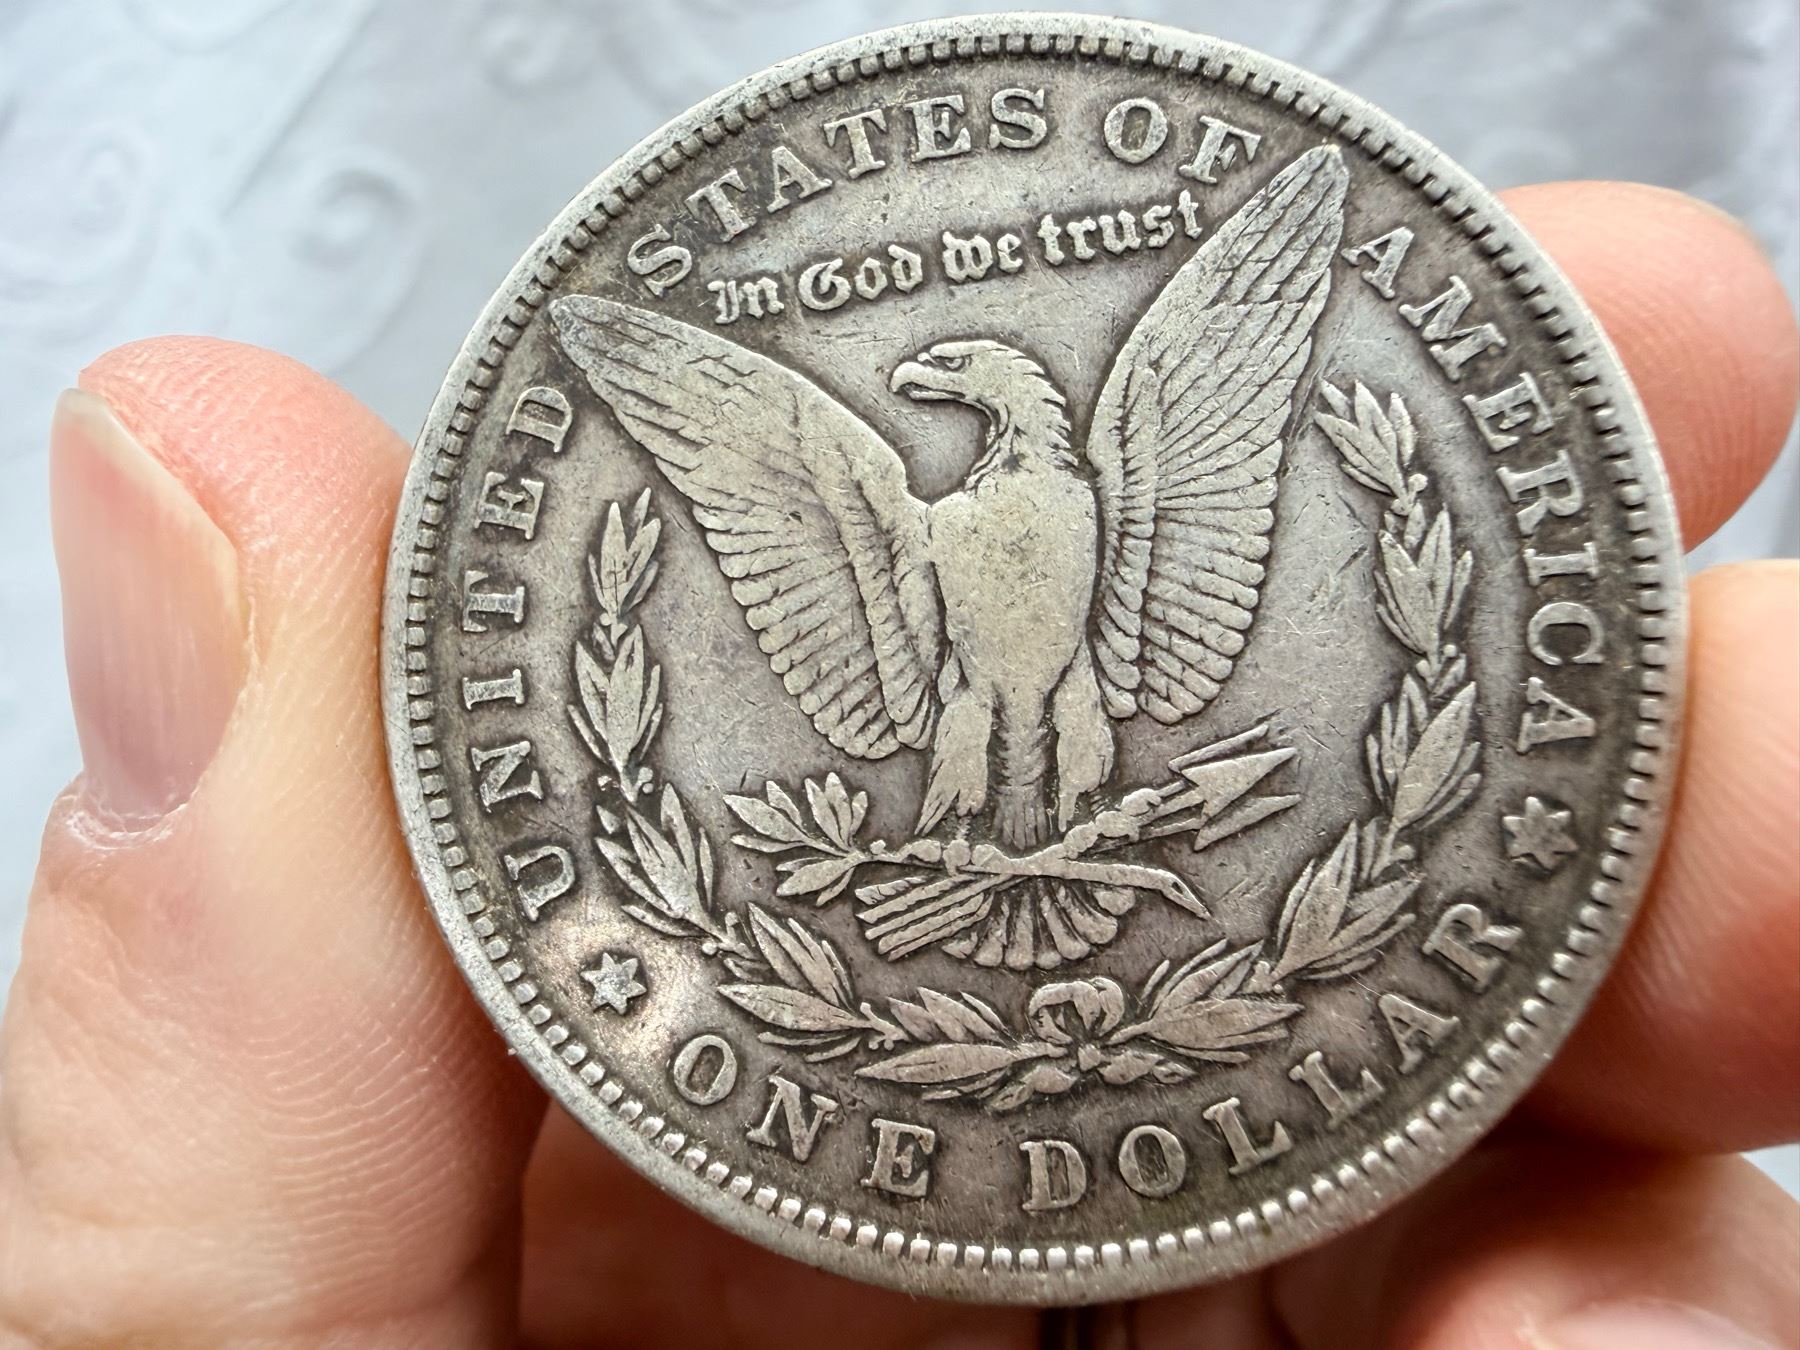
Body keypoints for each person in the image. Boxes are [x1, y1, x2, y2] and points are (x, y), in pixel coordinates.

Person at [0, 181, 1794, 1350]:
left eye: (972, 381)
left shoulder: (1104, 479)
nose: (947, 393)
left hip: (1085, 737)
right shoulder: (900, 516)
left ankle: (1052, 829)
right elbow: (752, 458)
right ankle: (994, 841)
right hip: (940, 773)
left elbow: (1159, 500)